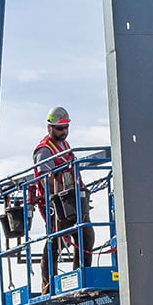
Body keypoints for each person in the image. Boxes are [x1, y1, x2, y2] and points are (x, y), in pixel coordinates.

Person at [33, 106, 95, 295]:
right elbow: (47, 180)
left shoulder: (66, 147)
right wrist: (65, 193)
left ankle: (82, 276)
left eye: (66, 127)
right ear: (49, 128)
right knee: (56, 239)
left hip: (71, 199)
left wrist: (81, 190)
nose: (64, 132)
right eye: (60, 128)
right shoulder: (44, 150)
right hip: (55, 203)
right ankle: (47, 286)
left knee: (85, 235)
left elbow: (73, 171)